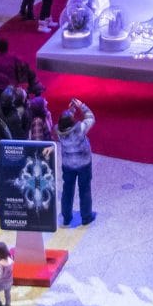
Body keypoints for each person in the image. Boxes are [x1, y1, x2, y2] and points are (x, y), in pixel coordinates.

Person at [58, 97, 95, 226]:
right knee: (84, 189)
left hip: (68, 165)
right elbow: (90, 118)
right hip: (84, 164)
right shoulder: (80, 129)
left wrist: (71, 110)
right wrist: (81, 105)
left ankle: (66, 217)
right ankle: (86, 217)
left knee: (67, 190)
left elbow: (66, 122)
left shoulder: (59, 132)